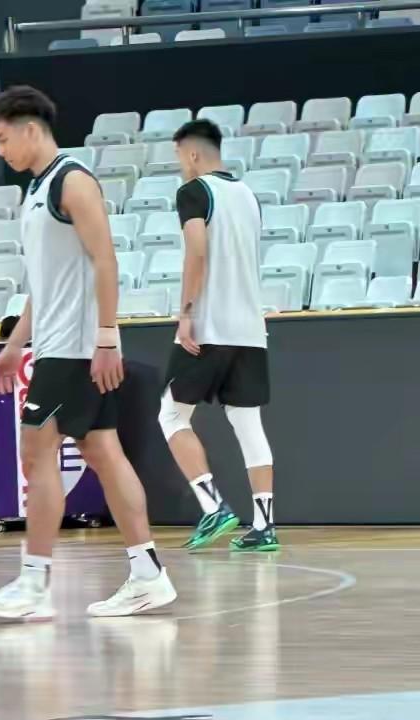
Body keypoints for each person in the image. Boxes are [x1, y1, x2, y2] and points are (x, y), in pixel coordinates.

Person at [0, 86, 177, 620]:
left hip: (75, 350)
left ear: (29, 129)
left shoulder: (73, 180)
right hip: (58, 345)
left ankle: (33, 584)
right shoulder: (37, 190)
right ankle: (148, 574)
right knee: (103, 451)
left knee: (36, 453)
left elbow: (106, 260)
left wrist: (107, 338)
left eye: (2, 139)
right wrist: (15, 344)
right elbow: (45, 285)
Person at [157, 119, 278, 553]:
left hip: (210, 325)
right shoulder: (248, 196)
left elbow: (198, 251)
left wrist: (186, 313)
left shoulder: (194, 191)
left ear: (192, 154)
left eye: (178, 157)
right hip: (250, 329)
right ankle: (264, 526)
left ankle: (213, 506)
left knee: (171, 417)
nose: (179, 166)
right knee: (248, 424)